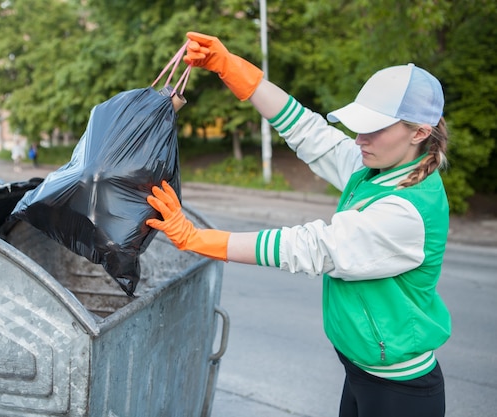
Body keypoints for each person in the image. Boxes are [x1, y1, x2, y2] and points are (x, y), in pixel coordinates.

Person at [146, 32, 451, 417]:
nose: (359, 138)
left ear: (420, 133)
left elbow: (310, 247)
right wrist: (230, 67)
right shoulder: (378, 168)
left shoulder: (405, 211)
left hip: (399, 392)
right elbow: (310, 132)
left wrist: (196, 238)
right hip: (364, 372)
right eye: (360, 126)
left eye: (375, 129)